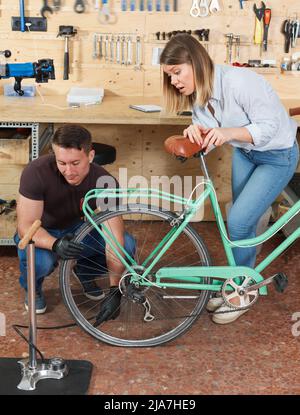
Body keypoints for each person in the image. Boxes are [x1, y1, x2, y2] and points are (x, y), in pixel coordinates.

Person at [160, 34, 299, 324]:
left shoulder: (240, 82)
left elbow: (270, 127)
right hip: (246, 154)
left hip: (277, 155)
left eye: (177, 72)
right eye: (169, 76)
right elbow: (213, 131)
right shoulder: (201, 94)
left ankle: (241, 294)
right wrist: (197, 132)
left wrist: (228, 133)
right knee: (242, 223)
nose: (174, 81)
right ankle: (241, 283)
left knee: (237, 221)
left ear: (195, 63)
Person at [15, 124, 134, 320]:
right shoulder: (35, 172)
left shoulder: (105, 182)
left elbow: (115, 237)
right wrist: (55, 244)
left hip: (76, 229)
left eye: (75, 163)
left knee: (127, 245)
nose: (68, 171)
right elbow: (25, 227)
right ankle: (33, 288)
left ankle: (85, 271)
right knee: (41, 263)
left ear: (91, 155)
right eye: (62, 163)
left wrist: (115, 289)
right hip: (43, 231)